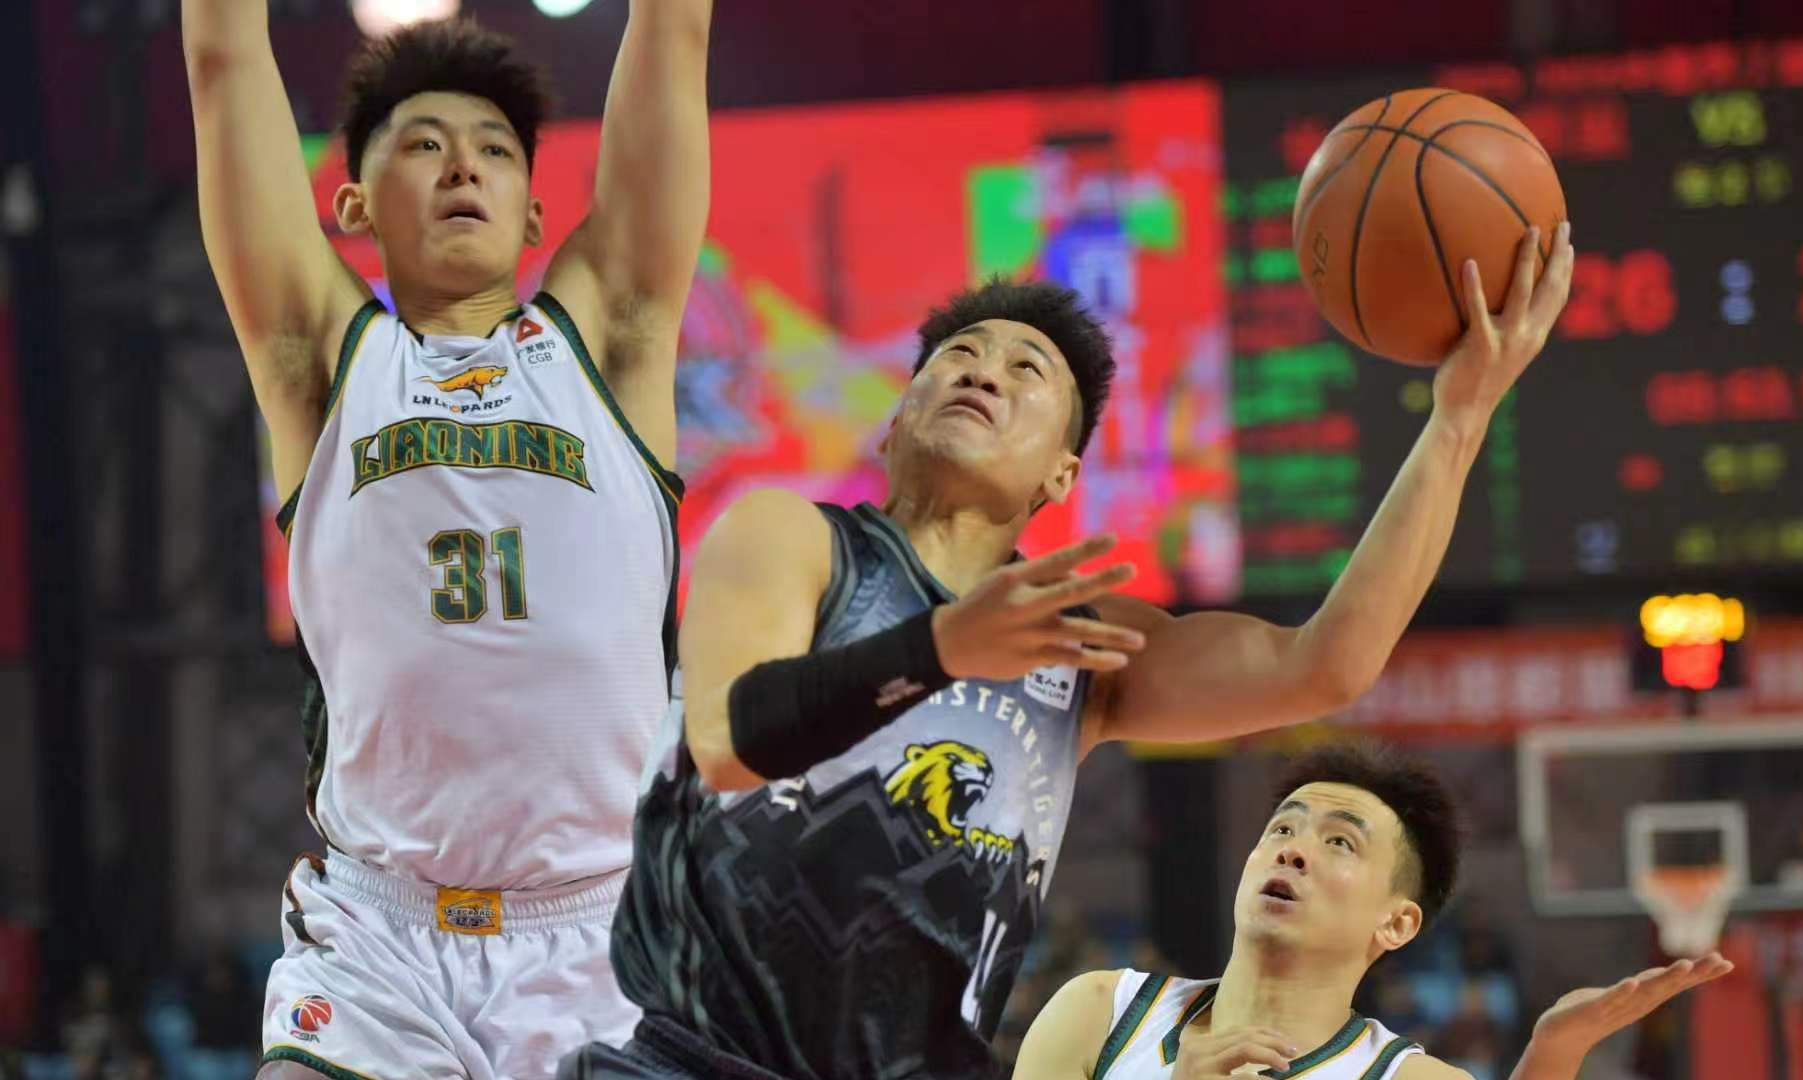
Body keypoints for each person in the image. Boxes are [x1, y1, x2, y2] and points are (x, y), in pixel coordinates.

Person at [576, 225, 1576, 1078]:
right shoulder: (793, 539)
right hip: (688, 1058)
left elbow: (1324, 667)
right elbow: (727, 742)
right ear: (894, 422)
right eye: (958, 356)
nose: (984, 371)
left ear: (1061, 474)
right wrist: (940, 647)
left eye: (1028, 371)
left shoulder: (1081, 651)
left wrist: (1459, 420)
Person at [181, 2, 711, 1076]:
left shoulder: (609, 341)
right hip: (382, 941)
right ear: (351, 203)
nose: (464, 165)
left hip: (607, 931)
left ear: (533, 214)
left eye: (495, 151)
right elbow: (222, 55)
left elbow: (676, 30)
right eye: (423, 145)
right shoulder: (324, 361)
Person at [1011, 742, 1734, 1080]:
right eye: (1282, 829)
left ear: (1397, 922)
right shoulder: (1098, 1013)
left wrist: (1554, 1054)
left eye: (1339, 843)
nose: (1293, 851)